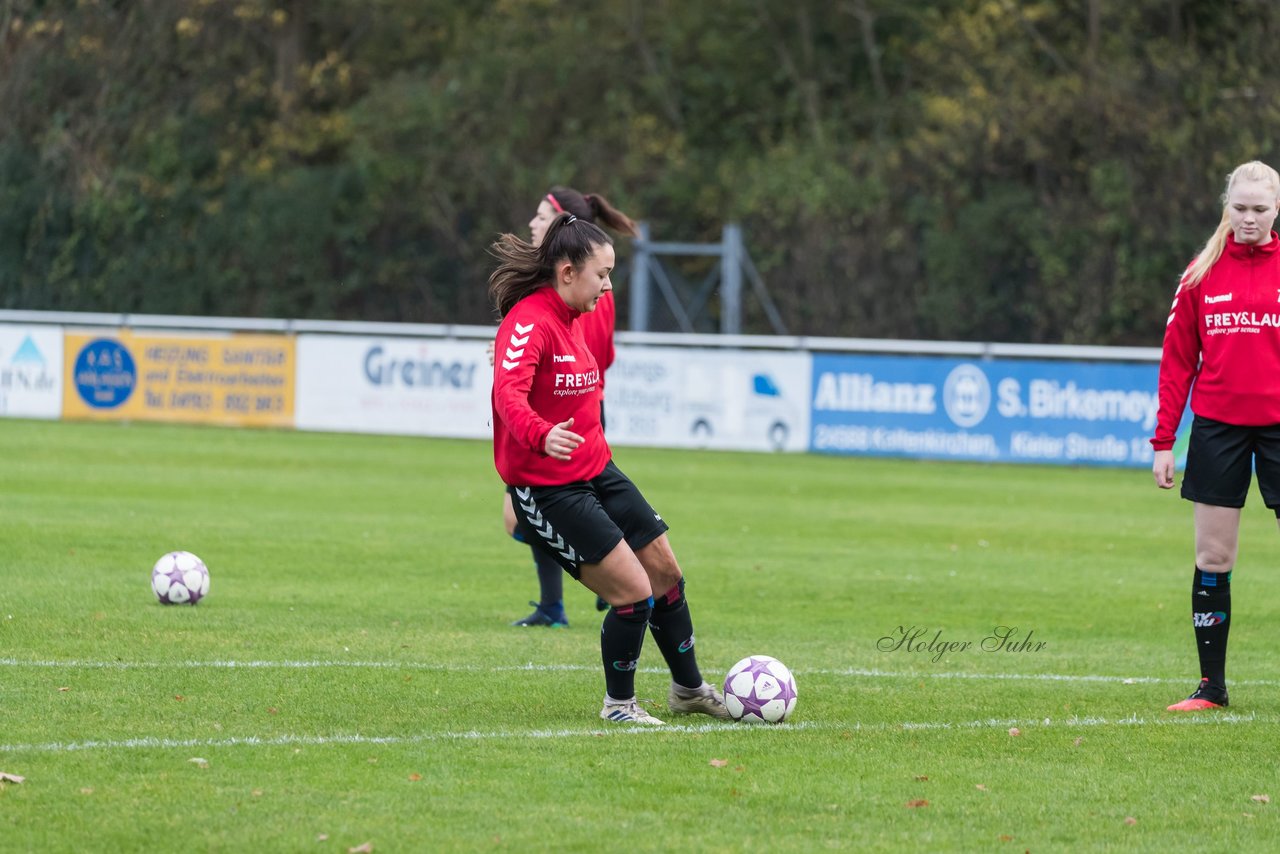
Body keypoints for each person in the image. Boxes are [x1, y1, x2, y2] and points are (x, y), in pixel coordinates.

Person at [488, 212, 728, 724]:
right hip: (549, 488)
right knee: (633, 593)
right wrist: (540, 433)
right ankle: (619, 705)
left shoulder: (579, 316)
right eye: (602, 274)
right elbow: (508, 395)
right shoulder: (530, 321)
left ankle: (688, 690)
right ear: (568, 271)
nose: (608, 284)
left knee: (665, 573)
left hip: (599, 471)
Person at [1152, 159, 1280, 711]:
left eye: (1260, 209)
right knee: (1213, 555)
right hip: (1218, 430)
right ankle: (1212, 688)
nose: (1248, 218)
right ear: (1226, 205)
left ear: (1276, 209)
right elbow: (1177, 363)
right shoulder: (1199, 273)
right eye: (1240, 207)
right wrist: (1163, 442)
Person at [500, 187, 639, 628]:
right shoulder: (547, 296)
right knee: (528, 516)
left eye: (543, 216)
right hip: (553, 419)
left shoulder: (586, 290)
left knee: (518, 516)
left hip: (569, 418)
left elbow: (596, 355)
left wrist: (556, 376)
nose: (533, 224)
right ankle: (557, 603)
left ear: (563, 223)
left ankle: (608, 575)